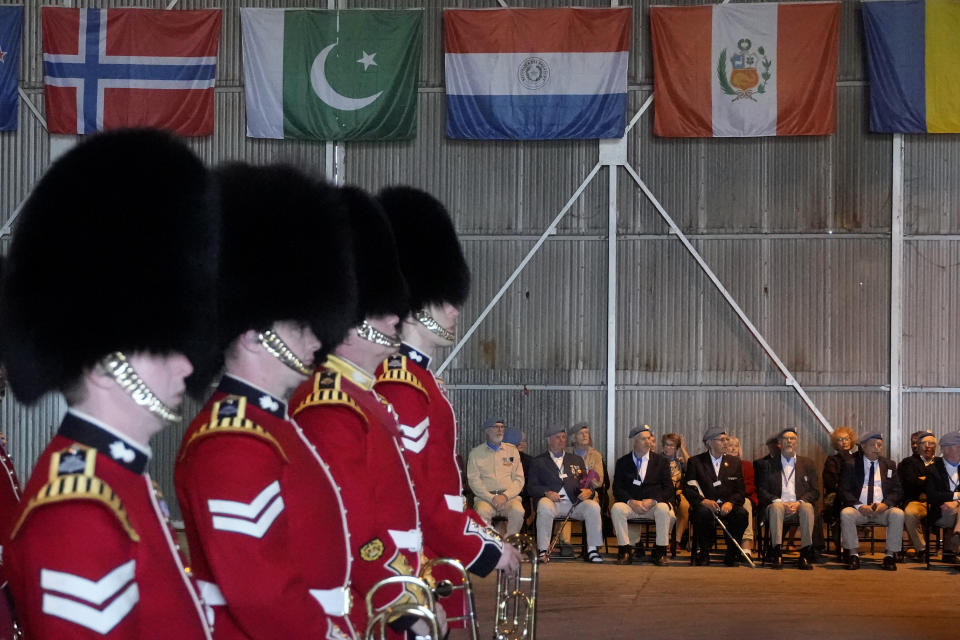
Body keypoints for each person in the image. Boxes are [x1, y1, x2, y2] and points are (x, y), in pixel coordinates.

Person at [0, 130, 217, 639]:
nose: (187, 365)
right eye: (162, 345)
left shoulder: (123, 480)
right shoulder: (79, 515)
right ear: (101, 362)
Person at [175, 164, 359, 639]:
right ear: (254, 336)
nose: (316, 336)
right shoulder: (232, 442)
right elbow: (259, 592)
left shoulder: (274, 426)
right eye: (300, 324)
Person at [374, 187, 519, 627]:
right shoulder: (402, 384)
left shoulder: (419, 381)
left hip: (431, 552)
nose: (456, 310)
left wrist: (482, 533)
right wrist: (485, 547)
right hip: (412, 561)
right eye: (444, 299)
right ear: (415, 307)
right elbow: (421, 495)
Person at [288, 186, 429, 637]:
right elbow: (351, 522)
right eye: (380, 310)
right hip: (363, 600)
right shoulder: (328, 404)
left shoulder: (367, 397)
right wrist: (400, 600)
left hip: (393, 577)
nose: (395, 318)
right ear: (347, 323)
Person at [527, 428, 604, 563]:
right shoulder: (538, 461)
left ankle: (592, 550)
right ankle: (543, 550)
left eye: (563, 437)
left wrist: (589, 492)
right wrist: (546, 492)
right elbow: (531, 487)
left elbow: (585, 482)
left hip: (574, 503)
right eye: (558, 437)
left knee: (593, 507)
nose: (562, 440)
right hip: (552, 502)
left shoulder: (576, 459)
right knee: (543, 505)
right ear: (548, 440)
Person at [839, 431, 904, 571]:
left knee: (898, 514)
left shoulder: (889, 464)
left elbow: (897, 490)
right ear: (863, 446)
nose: (877, 448)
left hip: (882, 509)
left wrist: (886, 504)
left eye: (879, 445)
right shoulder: (851, 464)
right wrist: (859, 506)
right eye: (872, 445)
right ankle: (853, 554)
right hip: (860, 510)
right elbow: (844, 490)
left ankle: (890, 556)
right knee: (846, 513)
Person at [610, 425, 675, 565]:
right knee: (617, 508)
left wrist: (654, 501)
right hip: (633, 506)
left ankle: (660, 552)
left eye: (649, 439)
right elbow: (617, 488)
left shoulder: (661, 462)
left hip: (652, 506)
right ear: (634, 441)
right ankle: (625, 550)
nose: (648, 442)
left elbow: (669, 488)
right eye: (643, 439)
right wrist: (631, 501)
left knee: (664, 509)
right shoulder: (623, 462)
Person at [684, 427, 748, 566]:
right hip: (706, 505)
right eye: (721, 440)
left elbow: (740, 490)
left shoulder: (734, 462)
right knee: (702, 513)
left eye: (726, 439)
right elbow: (689, 488)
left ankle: (732, 553)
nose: (725, 443)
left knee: (742, 514)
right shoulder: (696, 462)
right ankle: (705, 551)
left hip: (727, 505)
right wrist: (703, 501)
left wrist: (731, 502)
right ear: (709, 442)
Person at [757, 428, 819, 570]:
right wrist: (778, 501)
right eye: (785, 438)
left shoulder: (807, 463)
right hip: (777, 505)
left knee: (807, 507)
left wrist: (799, 502)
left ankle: (805, 554)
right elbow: (762, 490)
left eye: (792, 438)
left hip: (799, 505)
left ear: (797, 443)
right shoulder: (768, 464)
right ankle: (777, 553)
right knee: (777, 507)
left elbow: (815, 491)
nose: (789, 441)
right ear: (779, 443)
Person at [467, 418, 525, 536]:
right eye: (495, 427)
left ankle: (510, 544)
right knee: (482, 512)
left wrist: (505, 496)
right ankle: (490, 545)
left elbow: (519, 479)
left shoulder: (512, 451)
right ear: (487, 431)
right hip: (485, 499)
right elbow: (474, 481)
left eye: (502, 427)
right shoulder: (475, 453)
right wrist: (491, 498)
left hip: (509, 498)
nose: (500, 430)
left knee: (518, 511)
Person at [900, 430, 937, 561]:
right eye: (914, 443)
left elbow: (945, 485)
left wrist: (923, 479)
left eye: (930, 444)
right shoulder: (908, 462)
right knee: (909, 513)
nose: (926, 446)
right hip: (916, 501)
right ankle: (922, 549)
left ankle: (950, 551)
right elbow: (910, 483)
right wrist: (930, 480)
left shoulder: (940, 463)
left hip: (938, 502)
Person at [924, 431, 960, 563]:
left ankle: (957, 533)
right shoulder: (933, 469)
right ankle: (955, 540)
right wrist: (956, 496)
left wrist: (956, 503)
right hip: (941, 512)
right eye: (958, 446)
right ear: (946, 449)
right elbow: (932, 496)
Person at [725, 436, 757, 558]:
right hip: (725, 500)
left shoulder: (747, 465)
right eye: (730, 446)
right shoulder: (721, 465)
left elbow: (750, 486)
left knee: (746, 503)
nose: (733, 448)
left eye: (736, 446)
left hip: (744, 497)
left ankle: (746, 547)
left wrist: (737, 496)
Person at [661, 432, 691, 555]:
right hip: (662, 493)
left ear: (676, 448)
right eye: (666, 445)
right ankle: (666, 539)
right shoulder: (657, 459)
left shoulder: (680, 462)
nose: (668, 448)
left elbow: (693, 466)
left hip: (678, 492)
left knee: (685, 507)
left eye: (672, 446)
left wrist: (683, 450)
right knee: (666, 509)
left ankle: (677, 540)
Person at [504, 427, 534, 529]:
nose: (521, 443)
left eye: (524, 441)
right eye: (518, 441)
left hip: (522, 498)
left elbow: (531, 486)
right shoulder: (499, 457)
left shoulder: (530, 461)